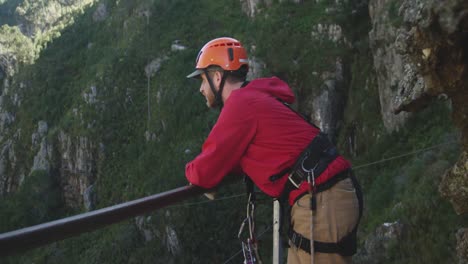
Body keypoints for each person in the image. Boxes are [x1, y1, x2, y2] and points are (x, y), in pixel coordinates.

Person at [185, 37, 362, 264]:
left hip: (321, 203)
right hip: (322, 197)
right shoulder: (256, 98)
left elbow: (203, 171)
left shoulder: (241, 105)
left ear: (217, 76)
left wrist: (193, 173)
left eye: (202, 79)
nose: (200, 88)